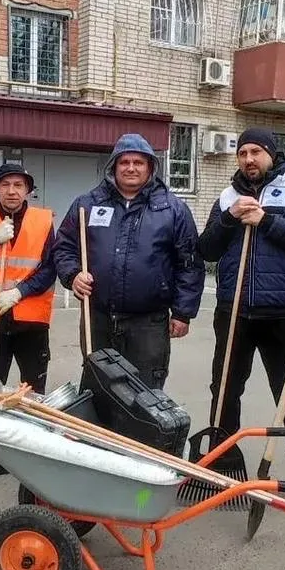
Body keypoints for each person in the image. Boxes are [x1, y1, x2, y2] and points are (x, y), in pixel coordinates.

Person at [196, 128, 285, 505]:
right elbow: (206, 249)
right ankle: (223, 466)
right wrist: (230, 218)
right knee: (224, 390)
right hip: (234, 310)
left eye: (256, 152)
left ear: (271, 154)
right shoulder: (228, 197)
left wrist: (266, 220)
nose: (249, 159)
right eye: (242, 153)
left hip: (282, 312)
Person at [52, 133, 204, 388]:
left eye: (138, 162)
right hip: (98, 318)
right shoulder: (88, 204)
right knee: (98, 387)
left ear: (150, 167)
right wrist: (73, 274)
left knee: (144, 392)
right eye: (124, 162)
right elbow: (64, 247)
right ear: (113, 166)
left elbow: (189, 263)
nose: (131, 168)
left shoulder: (172, 209)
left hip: (149, 323)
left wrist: (182, 313)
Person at [0, 161, 56, 394]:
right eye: (5, 185)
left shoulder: (44, 220)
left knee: (34, 393)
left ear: (28, 190)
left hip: (31, 321)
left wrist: (18, 293)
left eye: (18, 185)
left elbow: (49, 269)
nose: (11, 191)